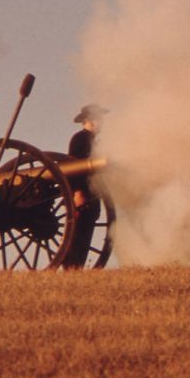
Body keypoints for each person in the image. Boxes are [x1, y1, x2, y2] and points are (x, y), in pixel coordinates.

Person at [62, 103, 108, 269]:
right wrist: (77, 192)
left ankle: (77, 268)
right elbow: (73, 168)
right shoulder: (79, 139)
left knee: (86, 233)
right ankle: (71, 268)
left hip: (93, 193)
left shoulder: (95, 141)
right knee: (77, 235)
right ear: (91, 120)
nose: (102, 122)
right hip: (81, 193)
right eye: (100, 118)